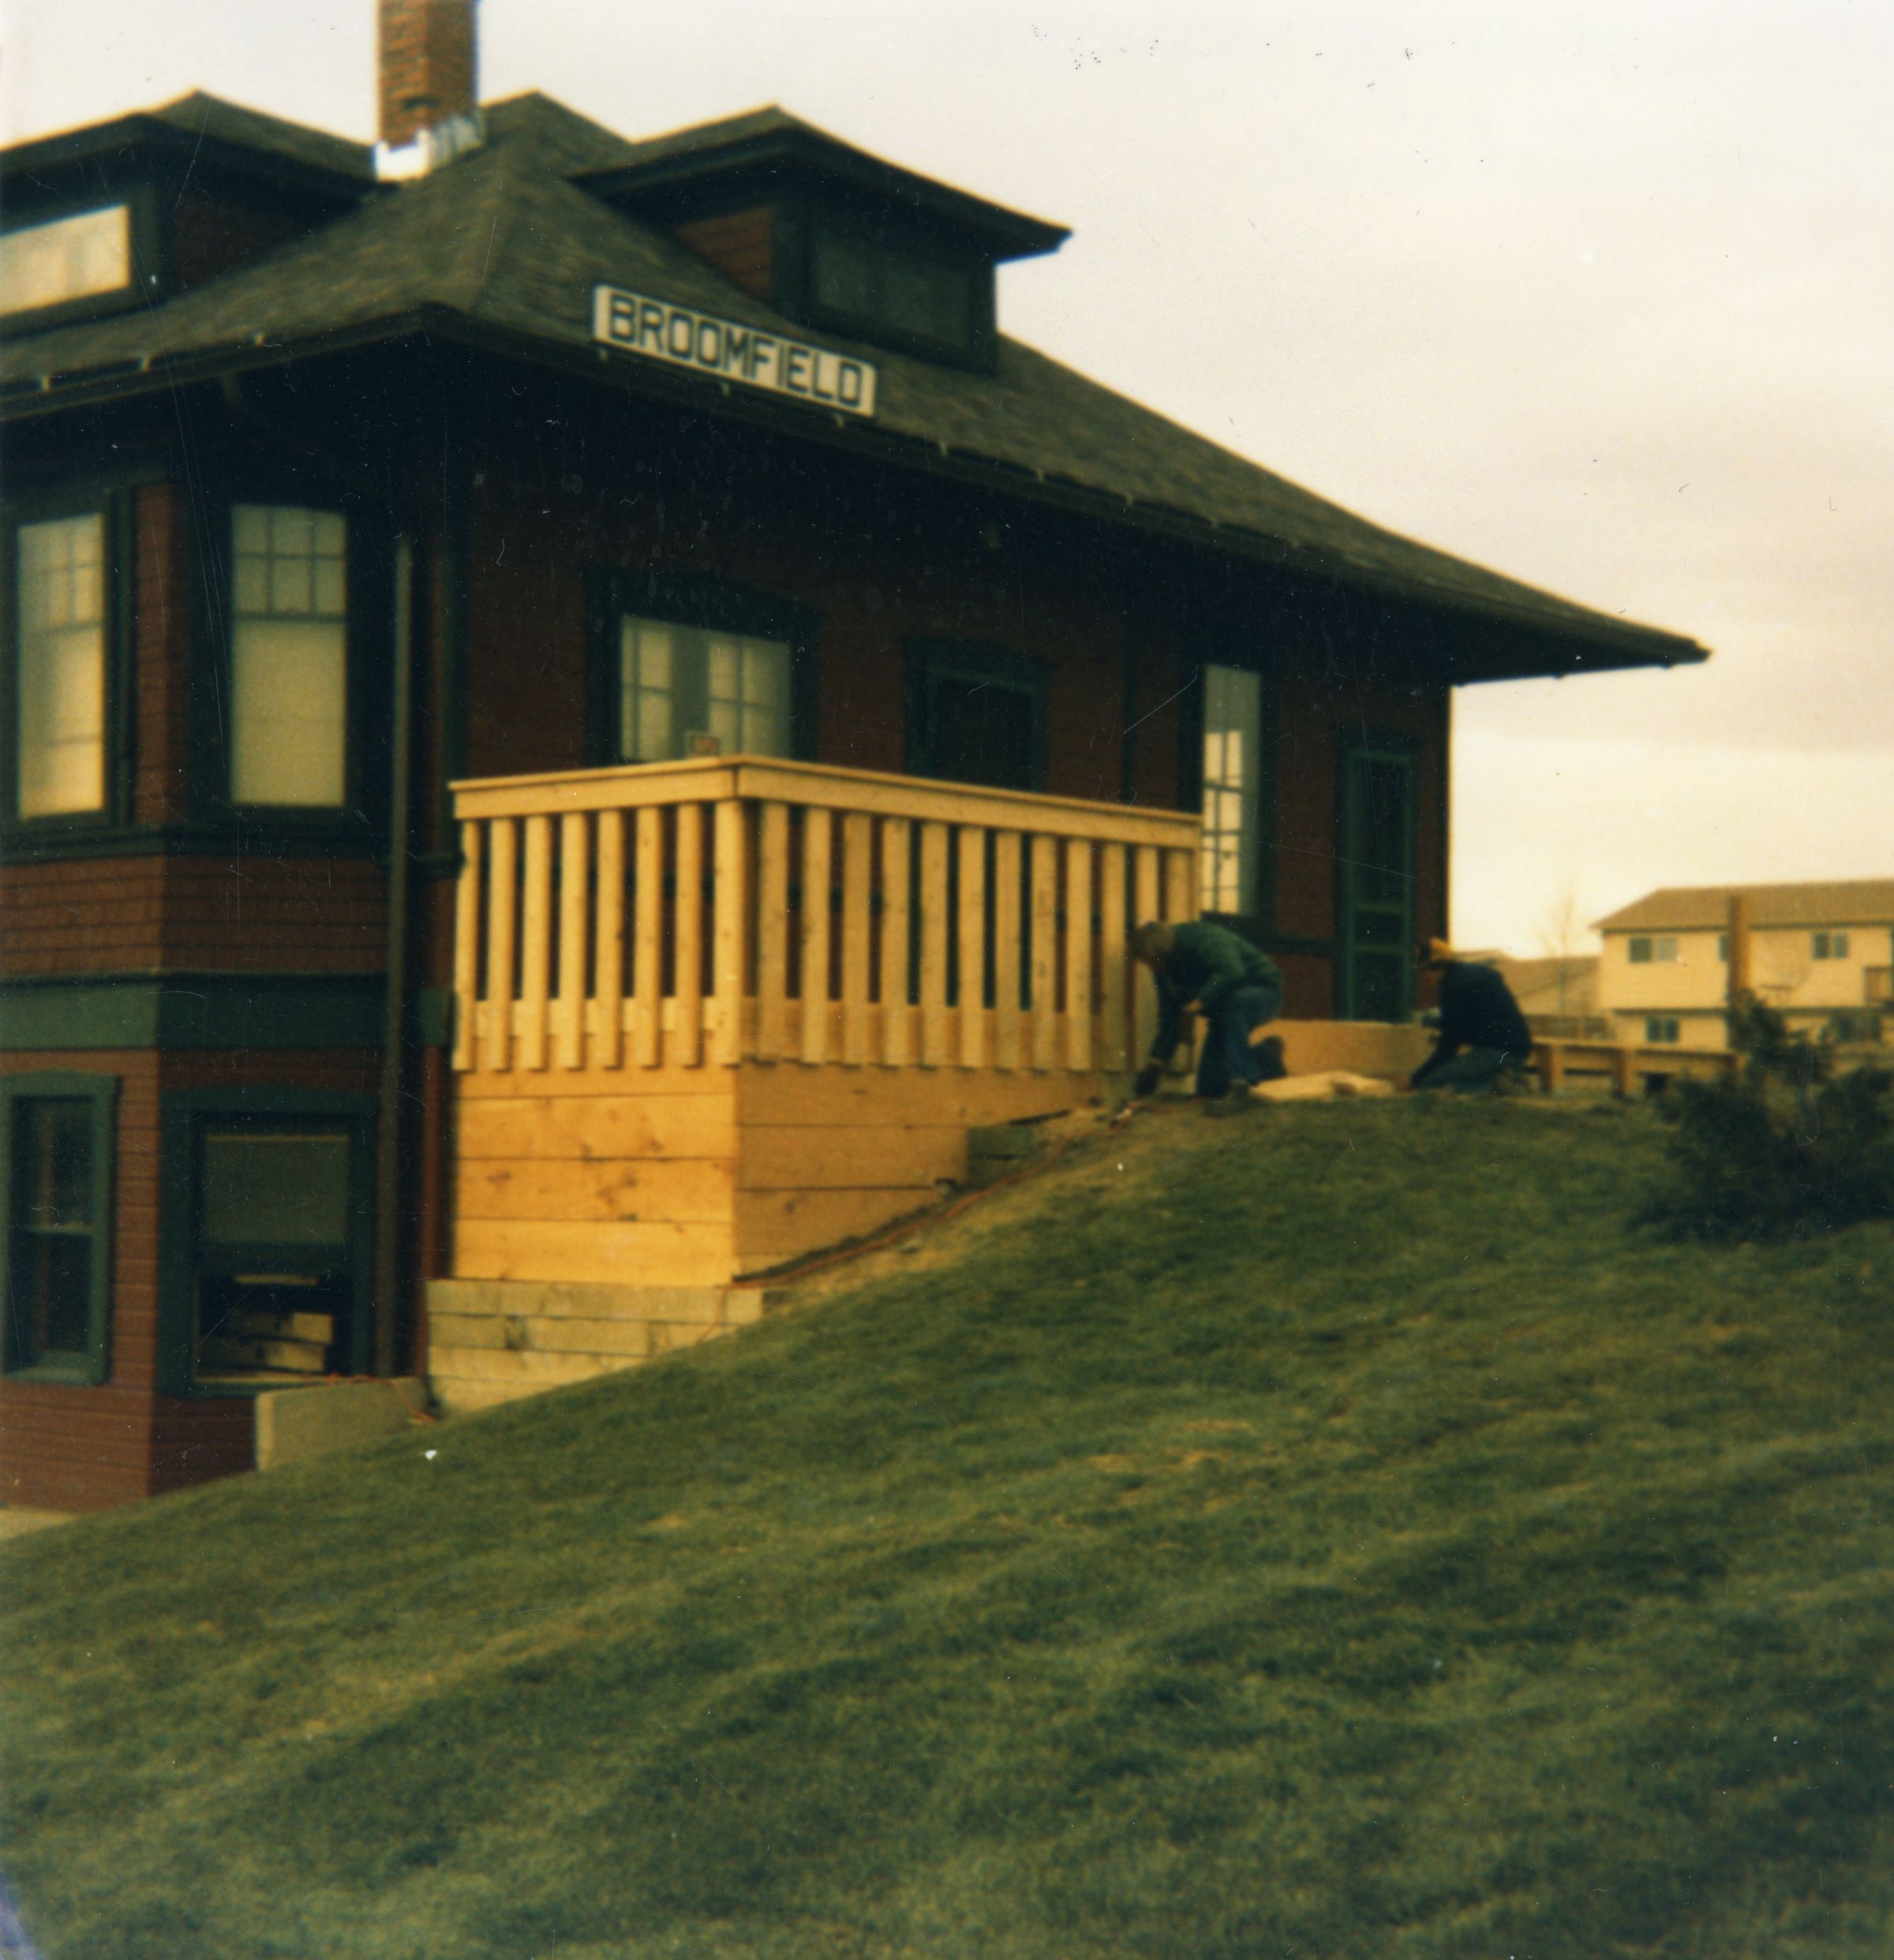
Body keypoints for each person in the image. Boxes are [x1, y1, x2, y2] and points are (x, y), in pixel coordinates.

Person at [1132, 920, 1285, 1114]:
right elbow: (1170, 1017)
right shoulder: (1162, 970)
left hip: (1263, 992)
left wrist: (1195, 1006)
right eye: (1146, 963)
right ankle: (1266, 1058)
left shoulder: (1205, 939)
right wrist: (1154, 1066)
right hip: (1225, 1012)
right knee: (1210, 1089)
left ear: (1166, 953)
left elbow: (1232, 972)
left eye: (1152, 962)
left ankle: (1241, 1088)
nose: (1151, 969)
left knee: (1235, 1003)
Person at [1409, 938, 1533, 1093]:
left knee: (1432, 1084)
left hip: (1500, 1052)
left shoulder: (1456, 987)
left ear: (1439, 966)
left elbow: (1449, 1047)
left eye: (1424, 970)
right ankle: (1501, 1078)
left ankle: (1502, 1086)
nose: (1423, 977)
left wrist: (1415, 1080)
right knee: (1452, 1074)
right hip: (1512, 1049)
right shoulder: (1464, 976)